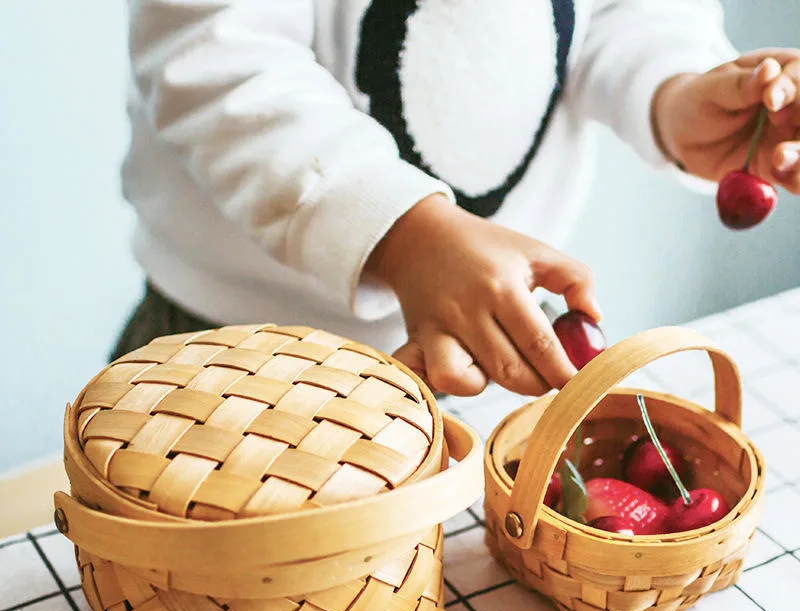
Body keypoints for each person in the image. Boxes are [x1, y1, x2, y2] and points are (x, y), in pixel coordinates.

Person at [113, 0, 800, 397]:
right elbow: (219, 60)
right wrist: (402, 233)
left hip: (490, 351)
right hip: (234, 357)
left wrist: (672, 92)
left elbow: (629, 13)